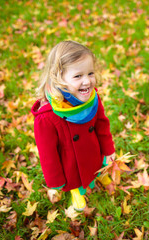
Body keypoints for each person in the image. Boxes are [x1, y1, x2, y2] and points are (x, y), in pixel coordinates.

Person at [31, 40, 115, 211]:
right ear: (58, 78)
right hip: (71, 163)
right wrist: (56, 181)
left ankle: (98, 174)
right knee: (76, 176)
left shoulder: (92, 98)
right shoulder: (47, 117)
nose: (87, 82)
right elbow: (48, 153)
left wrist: (108, 150)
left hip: (93, 150)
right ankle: (76, 190)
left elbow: (101, 125)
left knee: (95, 163)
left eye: (90, 73)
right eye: (78, 76)